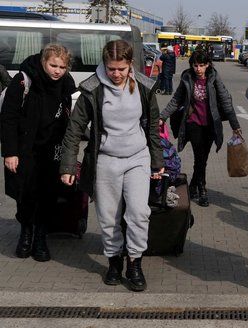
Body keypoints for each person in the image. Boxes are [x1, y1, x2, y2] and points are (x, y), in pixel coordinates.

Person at [59, 40, 163, 292]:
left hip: (138, 158)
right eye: (111, 68)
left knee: (139, 213)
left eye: (121, 69)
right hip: (106, 160)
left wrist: (157, 161)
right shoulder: (92, 88)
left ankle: (134, 262)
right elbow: (74, 129)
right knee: (108, 217)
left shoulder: (144, 87)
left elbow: (152, 126)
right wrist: (68, 166)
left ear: (130, 65)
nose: (116, 74)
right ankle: (114, 261)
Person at [1, 44, 76, 262]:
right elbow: (8, 118)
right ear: (44, 61)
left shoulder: (66, 83)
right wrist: (10, 152)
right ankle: (26, 232)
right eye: (53, 65)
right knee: (25, 193)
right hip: (25, 150)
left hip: (52, 149)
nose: (57, 71)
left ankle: (41, 237)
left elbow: (71, 116)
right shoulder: (23, 80)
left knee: (48, 194)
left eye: (62, 67)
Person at [160, 50, 241, 207]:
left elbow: (225, 101)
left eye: (202, 65)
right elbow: (176, 100)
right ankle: (202, 190)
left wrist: (235, 126)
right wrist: (162, 117)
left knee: (203, 158)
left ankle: (192, 185)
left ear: (208, 65)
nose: (198, 69)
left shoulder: (214, 78)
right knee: (199, 156)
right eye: (195, 65)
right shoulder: (187, 77)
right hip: (193, 123)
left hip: (211, 124)